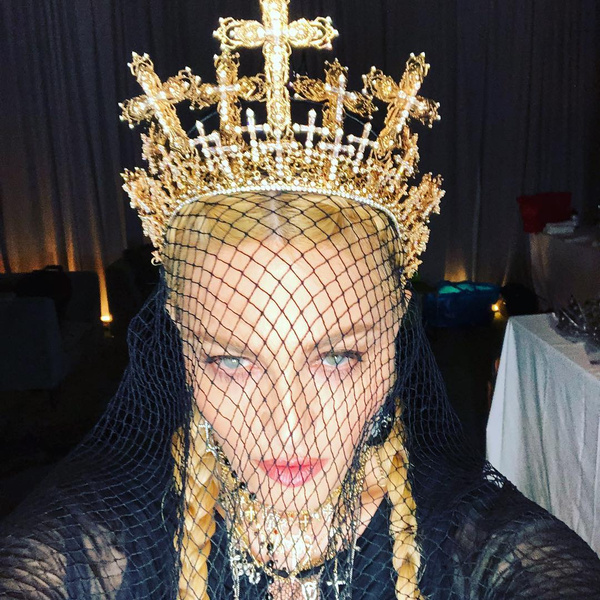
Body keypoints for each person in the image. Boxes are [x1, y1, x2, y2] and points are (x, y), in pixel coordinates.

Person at [1, 1, 599, 598]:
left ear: (394, 345)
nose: (286, 422)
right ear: (182, 349)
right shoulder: (108, 538)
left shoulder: (470, 536)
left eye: (336, 357)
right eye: (230, 360)